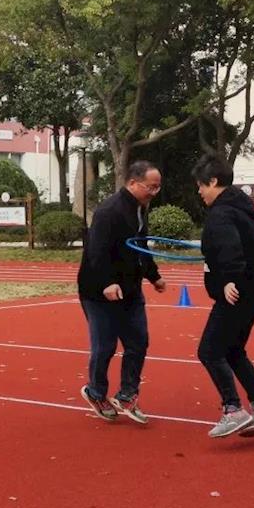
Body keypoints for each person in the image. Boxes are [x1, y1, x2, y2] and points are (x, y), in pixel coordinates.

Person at [193, 156, 254, 438]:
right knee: (233, 350)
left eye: (201, 185)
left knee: (209, 351)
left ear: (213, 181)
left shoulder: (221, 213)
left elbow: (230, 248)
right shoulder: (244, 208)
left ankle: (233, 409)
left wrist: (228, 280)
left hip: (237, 293)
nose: (199, 191)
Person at [77, 160, 168, 423]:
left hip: (129, 289)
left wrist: (154, 276)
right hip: (98, 291)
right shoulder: (109, 211)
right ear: (132, 183)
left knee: (138, 342)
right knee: (105, 346)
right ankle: (96, 392)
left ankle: (127, 394)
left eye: (158, 187)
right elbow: (96, 250)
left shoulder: (140, 209)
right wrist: (107, 282)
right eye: (150, 187)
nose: (154, 192)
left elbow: (141, 246)